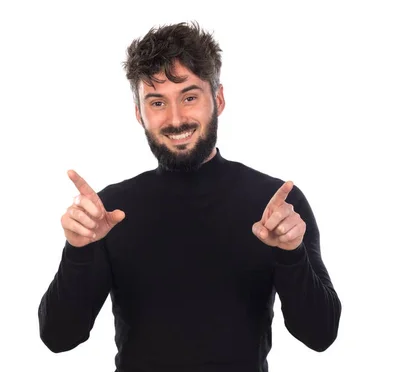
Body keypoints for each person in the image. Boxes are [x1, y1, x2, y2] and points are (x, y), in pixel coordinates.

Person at [38, 21, 341, 371]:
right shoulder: (109, 214)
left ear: (219, 99)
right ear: (139, 114)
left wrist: (291, 255)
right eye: (157, 102)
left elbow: (321, 335)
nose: (176, 118)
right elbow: (59, 338)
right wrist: (78, 252)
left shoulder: (275, 206)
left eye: (190, 97)